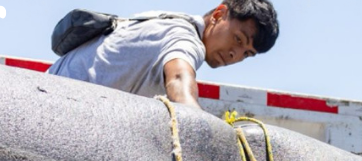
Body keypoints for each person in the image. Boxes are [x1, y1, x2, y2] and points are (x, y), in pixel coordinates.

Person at [48, 0, 279, 109]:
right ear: (219, 14)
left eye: (246, 54)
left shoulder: (163, 19)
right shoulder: (185, 38)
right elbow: (179, 78)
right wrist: (204, 131)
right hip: (56, 112)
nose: (234, 55)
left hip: (49, 96)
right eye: (238, 39)